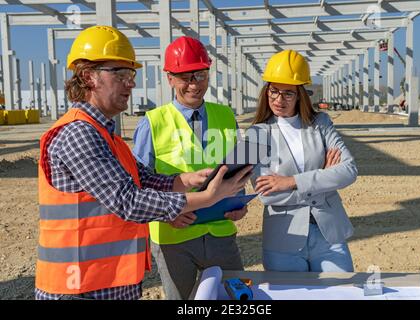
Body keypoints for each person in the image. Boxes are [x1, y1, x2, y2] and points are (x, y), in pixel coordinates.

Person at [35, 26, 251, 300]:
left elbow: (143, 178)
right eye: (121, 74)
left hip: (106, 279)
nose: (131, 83)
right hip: (79, 284)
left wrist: (184, 181)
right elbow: (128, 201)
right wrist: (207, 197)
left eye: (131, 74)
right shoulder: (80, 133)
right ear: (89, 77)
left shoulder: (104, 133)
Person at [133, 36, 248, 300]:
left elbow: (236, 169)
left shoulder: (225, 116)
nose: (194, 84)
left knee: (236, 300)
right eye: (185, 76)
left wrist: (240, 203)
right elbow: (138, 183)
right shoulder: (153, 122)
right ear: (170, 78)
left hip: (221, 232)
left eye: (201, 74)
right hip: (175, 235)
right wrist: (165, 214)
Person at [246, 49, 358, 273]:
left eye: (288, 93)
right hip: (284, 240)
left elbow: (348, 170)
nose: (279, 99)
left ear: (300, 95)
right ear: (266, 91)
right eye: (274, 91)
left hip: (329, 236)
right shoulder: (256, 133)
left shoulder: (321, 123)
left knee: (344, 294)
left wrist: (291, 181)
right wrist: (324, 177)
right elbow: (267, 194)